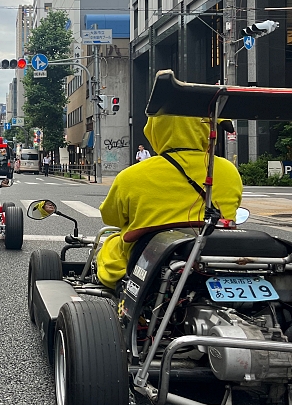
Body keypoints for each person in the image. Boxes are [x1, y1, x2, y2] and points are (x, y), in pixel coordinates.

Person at [96, 115, 243, 291]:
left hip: (152, 256)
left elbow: (111, 218)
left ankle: (122, 288)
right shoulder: (229, 171)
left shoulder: (132, 175)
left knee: (112, 244)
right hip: (216, 253)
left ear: (155, 130)